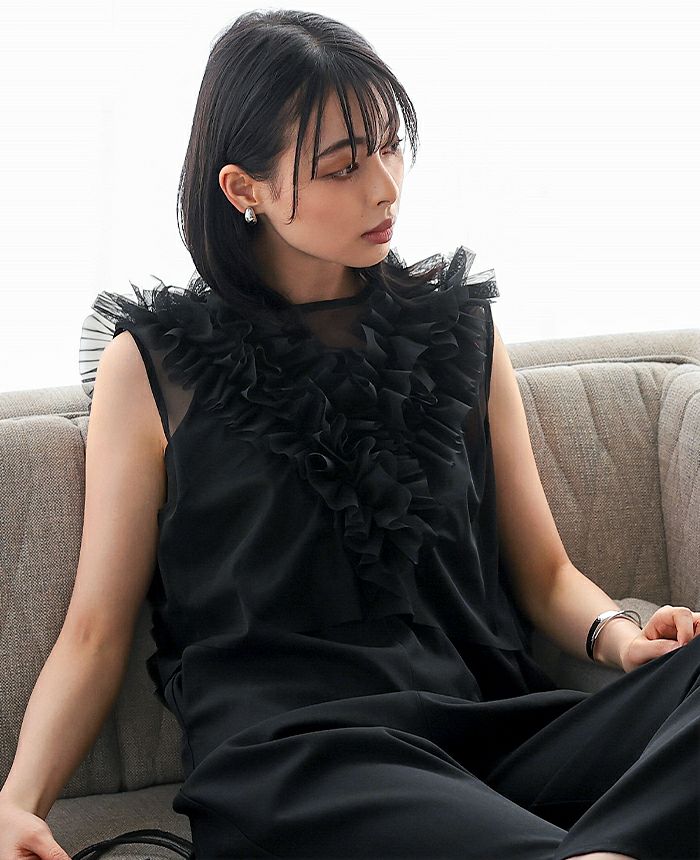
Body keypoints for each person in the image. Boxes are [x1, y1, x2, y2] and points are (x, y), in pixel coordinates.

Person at [1, 9, 699, 860]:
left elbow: (547, 574)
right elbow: (94, 632)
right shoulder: (153, 368)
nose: (385, 187)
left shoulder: (461, 332)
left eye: (391, 146)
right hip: (300, 758)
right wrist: (18, 802)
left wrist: (622, 639)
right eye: (343, 165)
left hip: (490, 745)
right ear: (244, 189)